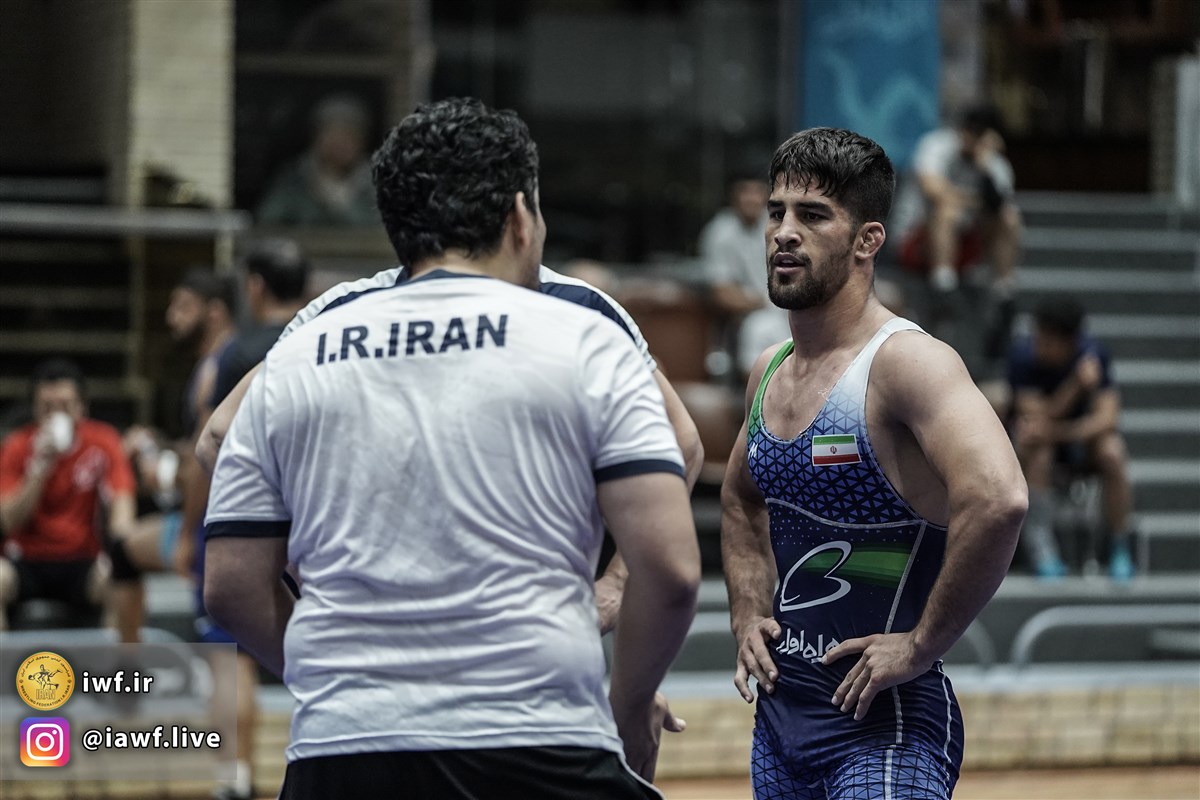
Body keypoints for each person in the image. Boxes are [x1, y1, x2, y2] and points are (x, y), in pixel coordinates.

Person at [203, 97, 701, 798]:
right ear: (522, 217)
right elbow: (674, 565)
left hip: (343, 748)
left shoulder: (304, 345)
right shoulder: (582, 328)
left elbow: (227, 572)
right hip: (536, 734)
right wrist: (624, 697)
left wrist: (337, 667)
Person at [721, 127, 1027, 800]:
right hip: (779, 726)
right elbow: (740, 500)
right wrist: (746, 612)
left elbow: (1000, 498)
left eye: (813, 215)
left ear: (868, 240)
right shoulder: (768, 369)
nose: (784, 233)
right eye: (777, 212)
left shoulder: (907, 363)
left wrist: (921, 645)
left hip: (883, 730)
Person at [0, 359, 136, 630]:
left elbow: (122, 505)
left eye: (64, 406)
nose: (55, 415)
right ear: (35, 409)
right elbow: (6, 521)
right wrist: (38, 469)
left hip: (82, 560)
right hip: (25, 560)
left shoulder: (103, 441)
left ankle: (117, 658)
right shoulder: (17, 445)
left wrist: (122, 548)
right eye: (47, 407)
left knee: (118, 581)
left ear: (81, 407)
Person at [1008, 297, 1135, 581]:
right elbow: (1037, 419)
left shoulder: (1095, 355)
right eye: (1038, 336)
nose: (1039, 345)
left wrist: (1061, 432)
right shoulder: (1023, 356)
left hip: (1079, 441)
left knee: (1112, 451)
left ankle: (1120, 545)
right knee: (1039, 449)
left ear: (1071, 342)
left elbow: (1108, 419)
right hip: (1037, 445)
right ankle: (1042, 550)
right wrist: (1075, 386)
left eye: (1047, 341)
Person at [898, 105, 1022, 296]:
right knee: (948, 211)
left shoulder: (994, 163)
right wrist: (975, 201)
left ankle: (1004, 290)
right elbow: (933, 190)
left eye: (980, 134)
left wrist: (985, 169)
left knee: (1009, 218)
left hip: (969, 239)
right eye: (970, 131)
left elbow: (999, 205)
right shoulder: (937, 144)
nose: (972, 139)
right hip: (919, 235)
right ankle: (943, 284)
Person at [699, 170, 789, 377]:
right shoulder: (720, 232)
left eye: (757, 192)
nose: (751, 198)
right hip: (751, 318)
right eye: (745, 191)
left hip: (790, 309)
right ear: (733, 195)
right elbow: (722, 294)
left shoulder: (780, 224)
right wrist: (763, 301)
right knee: (759, 328)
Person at [256, 95, 379, 227]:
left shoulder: (377, 181)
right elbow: (268, 221)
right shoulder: (294, 179)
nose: (340, 144)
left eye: (348, 136)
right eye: (332, 135)